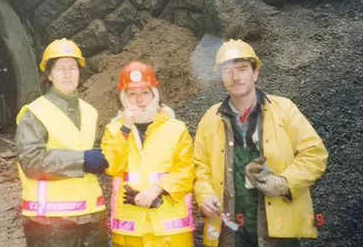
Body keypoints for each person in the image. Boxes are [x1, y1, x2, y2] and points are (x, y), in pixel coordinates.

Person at [193, 39, 328, 246]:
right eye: (228, 70)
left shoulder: (284, 110)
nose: (236, 77)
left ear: (255, 73)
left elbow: (315, 154)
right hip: (229, 230)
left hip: (278, 229)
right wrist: (205, 195)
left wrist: (285, 182)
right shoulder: (211, 119)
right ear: (221, 77)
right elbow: (199, 167)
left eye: (242, 69)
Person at [15, 38, 109, 247]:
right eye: (60, 68)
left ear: (80, 72)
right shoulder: (35, 114)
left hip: (92, 216)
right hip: (50, 223)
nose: (68, 74)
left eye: (72, 67)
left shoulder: (90, 112)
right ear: (49, 74)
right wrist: (81, 160)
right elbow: (31, 162)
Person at [101, 62, 195, 247]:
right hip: (130, 228)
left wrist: (157, 188)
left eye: (145, 92)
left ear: (155, 95)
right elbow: (111, 167)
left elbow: (187, 171)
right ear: (123, 98)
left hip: (170, 229)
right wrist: (125, 128)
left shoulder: (176, 129)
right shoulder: (114, 130)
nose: (139, 100)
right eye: (132, 94)